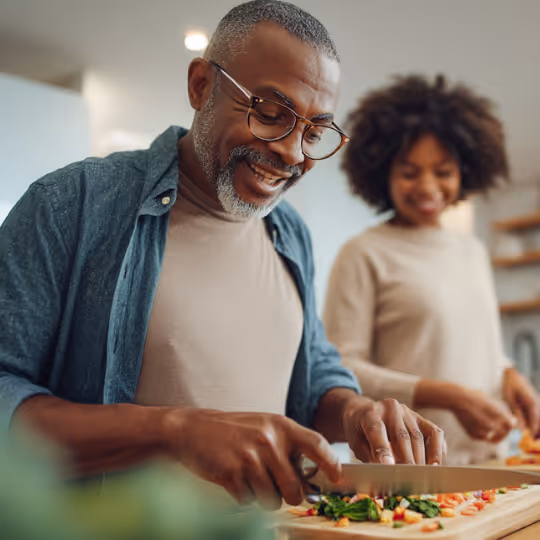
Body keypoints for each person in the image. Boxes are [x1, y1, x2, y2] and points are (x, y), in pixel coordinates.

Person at [0, 1, 445, 510]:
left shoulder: (289, 232)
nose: (294, 153)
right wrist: (175, 431)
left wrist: (353, 410)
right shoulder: (72, 205)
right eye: (272, 114)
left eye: (315, 133)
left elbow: (313, 371)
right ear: (201, 86)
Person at [323, 74, 540, 465]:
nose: (427, 186)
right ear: (383, 174)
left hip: (488, 462)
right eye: (409, 172)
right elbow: (342, 368)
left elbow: (480, 343)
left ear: (464, 173)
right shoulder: (363, 253)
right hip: (407, 470)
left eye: (443, 171)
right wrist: (448, 396)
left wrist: (509, 375)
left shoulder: (471, 249)